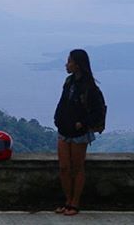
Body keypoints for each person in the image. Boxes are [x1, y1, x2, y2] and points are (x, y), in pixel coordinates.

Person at [53, 48, 100, 216]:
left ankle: (75, 202)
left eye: (70, 61)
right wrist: (57, 119)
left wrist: (83, 123)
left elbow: (98, 110)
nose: (67, 64)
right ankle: (67, 199)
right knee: (64, 167)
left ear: (78, 65)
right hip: (64, 130)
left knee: (77, 168)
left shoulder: (90, 87)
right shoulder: (69, 82)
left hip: (79, 133)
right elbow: (63, 102)